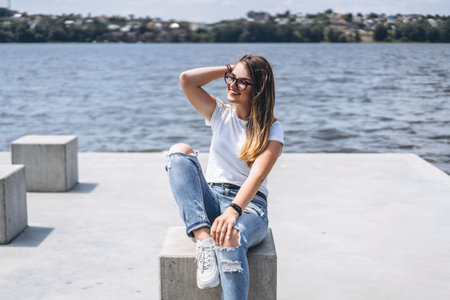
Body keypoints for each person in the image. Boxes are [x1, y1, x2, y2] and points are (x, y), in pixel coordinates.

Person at [165, 54, 284, 300]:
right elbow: (187, 80)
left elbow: (257, 176)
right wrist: (230, 68)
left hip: (249, 207)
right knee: (179, 152)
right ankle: (203, 238)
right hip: (211, 197)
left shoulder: (272, 128)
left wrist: (233, 210)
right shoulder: (220, 114)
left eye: (242, 82)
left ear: (259, 88)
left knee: (230, 236)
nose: (232, 84)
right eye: (231, 79)